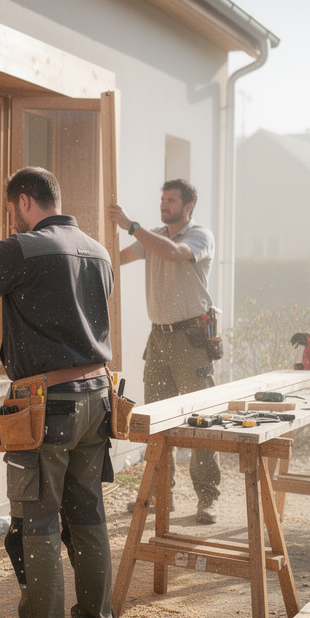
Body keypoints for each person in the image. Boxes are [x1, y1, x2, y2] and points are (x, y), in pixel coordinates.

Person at [0, 166, 117, 618]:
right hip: (97, 395)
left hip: (48, 404)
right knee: (87, 516)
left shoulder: (21, 249)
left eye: (12, 209)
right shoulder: (97, 250)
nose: (12, 220)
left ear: (23, 201)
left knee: (37, 522)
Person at [109, 178, 221, 524]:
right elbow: (117, 258)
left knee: (200, 420)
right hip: (158, 338)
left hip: (191, 339)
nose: (164, 204)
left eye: (171, 200)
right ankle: (161, 496)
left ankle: (207, 499)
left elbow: (173, 253)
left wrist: (131, 225)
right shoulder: (153, 236)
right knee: (157, 419)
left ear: (189, 207)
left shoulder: (200, 236)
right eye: (162, 199)